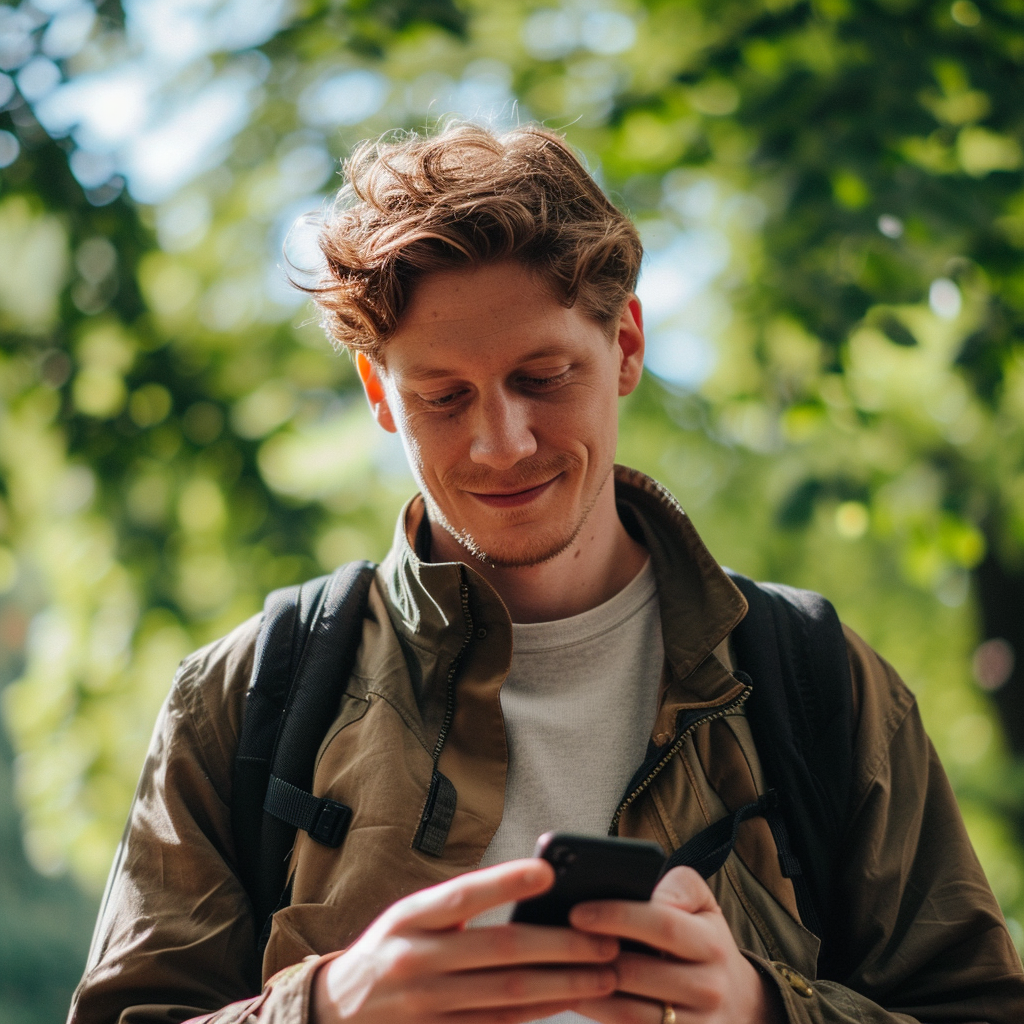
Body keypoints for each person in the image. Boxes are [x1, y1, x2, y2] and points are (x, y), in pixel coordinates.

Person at [69, 123, 1024, 1024]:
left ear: (628, 347)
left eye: (543, 376)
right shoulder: (245, 693)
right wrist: (330, 1004)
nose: (501, 442)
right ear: (378, 396)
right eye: (443, 396)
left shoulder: (818, 681)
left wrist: (760, 1006)